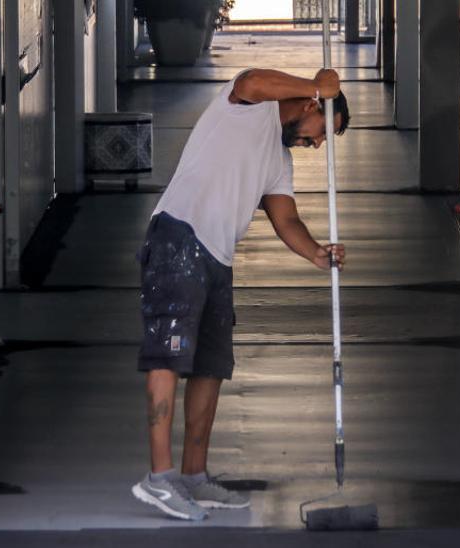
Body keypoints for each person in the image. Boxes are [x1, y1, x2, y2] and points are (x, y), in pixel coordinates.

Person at [130, 67, 351, 521]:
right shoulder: (248, 109)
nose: (317, 145)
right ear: (311, 107)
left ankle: (193, 477)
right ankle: (159, 478)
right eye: (322, 132)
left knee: (210, 368)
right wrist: (317, 86)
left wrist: (317, 254)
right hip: (178, 236)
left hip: (217, 258)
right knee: (168, 357)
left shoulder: (279, 161)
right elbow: (250, 79)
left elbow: (285, 220)